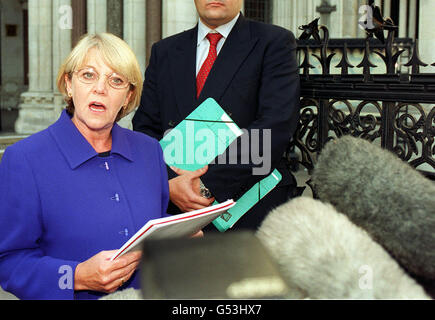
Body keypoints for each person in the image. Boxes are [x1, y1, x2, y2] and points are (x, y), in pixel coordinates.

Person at [0, 33, 169, 300]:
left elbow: (154, 236)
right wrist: (76, 276)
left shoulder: (150, 152)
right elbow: (9, 264)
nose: (100, 88)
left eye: (116, 80)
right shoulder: (24, 160)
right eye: (88, 75)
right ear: (69, 84)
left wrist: (178, 243)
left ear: (128, 97)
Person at [132, 0, 301, 230]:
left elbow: (274, 126)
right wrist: (169, 182)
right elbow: (145, 128)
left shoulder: (273, 42)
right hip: (173, 209)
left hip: (249, 207)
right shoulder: (165, 52)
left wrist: (205, 185)